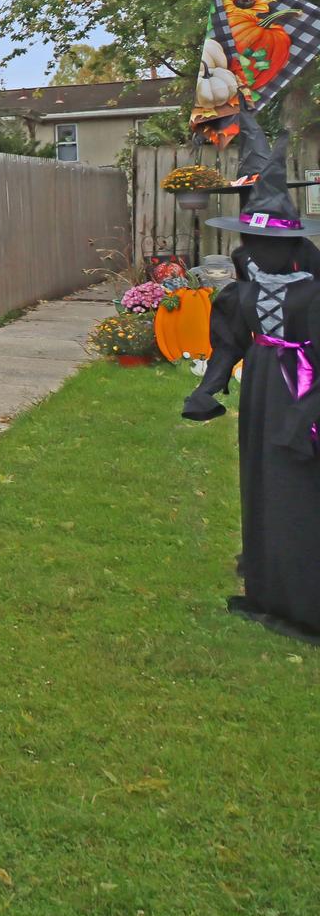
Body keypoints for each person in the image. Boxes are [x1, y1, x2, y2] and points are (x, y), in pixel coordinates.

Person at [182, 128, 320, 639]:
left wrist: (306, 416)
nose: (260, 252)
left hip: (301, 392)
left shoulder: (313, 296)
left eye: (273, 243)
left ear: (294, 245)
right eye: (254, 242)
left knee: (298, 492)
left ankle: (305, 604)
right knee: (259, 483)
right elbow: (229, 344)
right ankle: (265, 590)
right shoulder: (240, 295)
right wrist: (206, 389)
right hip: (261, 390)